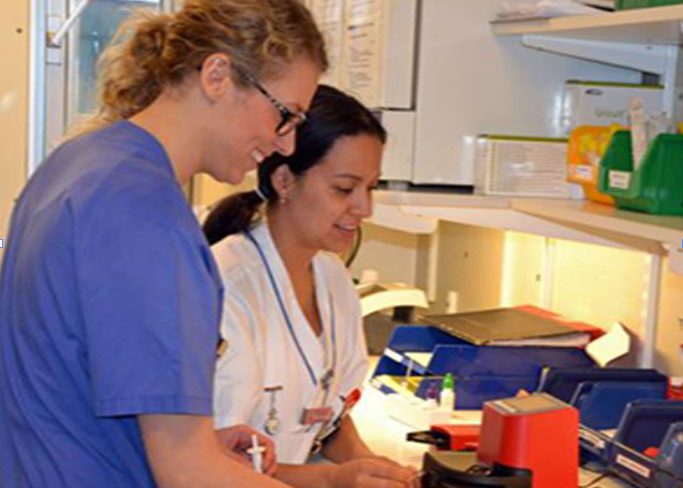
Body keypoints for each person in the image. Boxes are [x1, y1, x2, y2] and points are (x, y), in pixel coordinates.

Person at [0, 1, 327, 487]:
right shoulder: (144, 212)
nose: (287, 145)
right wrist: (200, 454)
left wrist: (202, 441)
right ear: (217, 75)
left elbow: (68, 386)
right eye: (286, 115)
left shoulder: (80, 161)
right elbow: (188, 472)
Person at [203, 85, 419, 488]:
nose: (364, 208)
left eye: (370, 187)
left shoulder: (332, 275)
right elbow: (209, 461)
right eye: (344, 188)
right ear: (285, 180)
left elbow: (328, 417)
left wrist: (369, 466)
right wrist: (333, 480)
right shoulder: (225, 286)